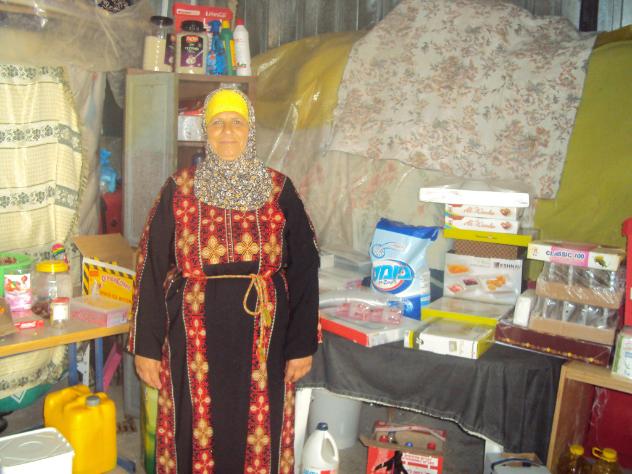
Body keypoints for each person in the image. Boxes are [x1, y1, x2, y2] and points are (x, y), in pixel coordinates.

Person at [128, 87, 320, 474]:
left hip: (264, 334)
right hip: (193, 334)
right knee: (192, 425)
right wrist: (146, 347)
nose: (227, 131)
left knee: (260, 427)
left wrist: (302, 345)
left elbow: (304, 268)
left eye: (237, 122)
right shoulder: (179, 189)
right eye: (217, 123)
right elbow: (150, 267)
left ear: (250, 129)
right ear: (205, 131)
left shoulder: (279, 190)